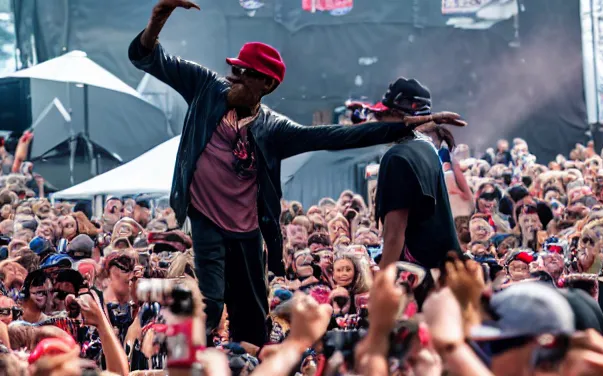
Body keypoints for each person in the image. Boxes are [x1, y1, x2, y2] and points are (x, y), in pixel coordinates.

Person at [129, 0, 464, 345]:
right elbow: (149, 58)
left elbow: (335, 137)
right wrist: (158, 18)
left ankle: (247, 374)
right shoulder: (205, 89)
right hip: (206, 220)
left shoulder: (273, 129)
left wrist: (404, 126)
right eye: (236, 69)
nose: (235, 77)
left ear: (267, 84)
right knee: (212, 300)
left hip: (247, 231)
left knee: (253, 317)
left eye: (245, 74)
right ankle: (178, 363)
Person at [373, 78, 462, 269]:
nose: (378, 121)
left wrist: (381, 284)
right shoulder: (426, 148)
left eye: (385, 115)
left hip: (421, 278)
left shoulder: (398, 157)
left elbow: (394, 235)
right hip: (445, 272)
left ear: (404, 117)